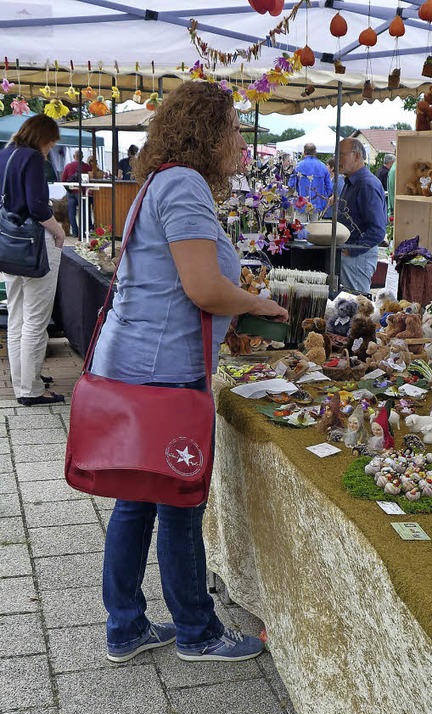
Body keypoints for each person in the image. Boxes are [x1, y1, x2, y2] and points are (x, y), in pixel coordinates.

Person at [90, 80, 288, 664]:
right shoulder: (184, 184)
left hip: (139, 367)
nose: (239, 145)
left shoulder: (162, 180)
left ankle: (124, 626)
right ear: (210, 134)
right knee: (179, 500)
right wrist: (254, 304)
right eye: (233, 132)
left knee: (136, 496)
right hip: (164, 374)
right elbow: (202, 288)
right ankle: (197, 632)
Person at [0, 115, 66, 405]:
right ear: (42, 138)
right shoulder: (33, 158)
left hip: (8, 244)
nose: (49, 150)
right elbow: (38, 206)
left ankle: (24, 378)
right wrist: (59, 231)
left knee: (16, 317)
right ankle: (30, 389)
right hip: (35, 245)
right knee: (36, 320)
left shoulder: (5, 154)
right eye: (50, 144)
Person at [337, 138, 387, 296]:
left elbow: (378, 230)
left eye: (341, 155)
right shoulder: (351, 182)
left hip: (357, 257)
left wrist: (351, 251)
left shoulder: (366, 185)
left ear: (357, 156)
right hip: (351, 255)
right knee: (347, 307)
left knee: (356, 308)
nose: (337, 159)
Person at [289, 142, 332, 217]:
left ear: (304, 152)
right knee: (315, 227)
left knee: (301, 227)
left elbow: (291, 184)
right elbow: (329, 187)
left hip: (301, 204)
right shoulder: (323, 167)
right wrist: (323, 200)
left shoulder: (298, 166)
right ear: (315, 153)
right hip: (317, 204)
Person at [61, 149, 91, 237]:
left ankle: (74, 232)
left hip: (70, 192)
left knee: (71, 213)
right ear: (82, 157)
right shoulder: (86, 167)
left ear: (74, 156)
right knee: (84, 212)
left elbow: (63, 180)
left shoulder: (68, 166)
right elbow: (91, 177)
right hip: (82, 192)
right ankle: (84, 232)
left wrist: (69, 190)